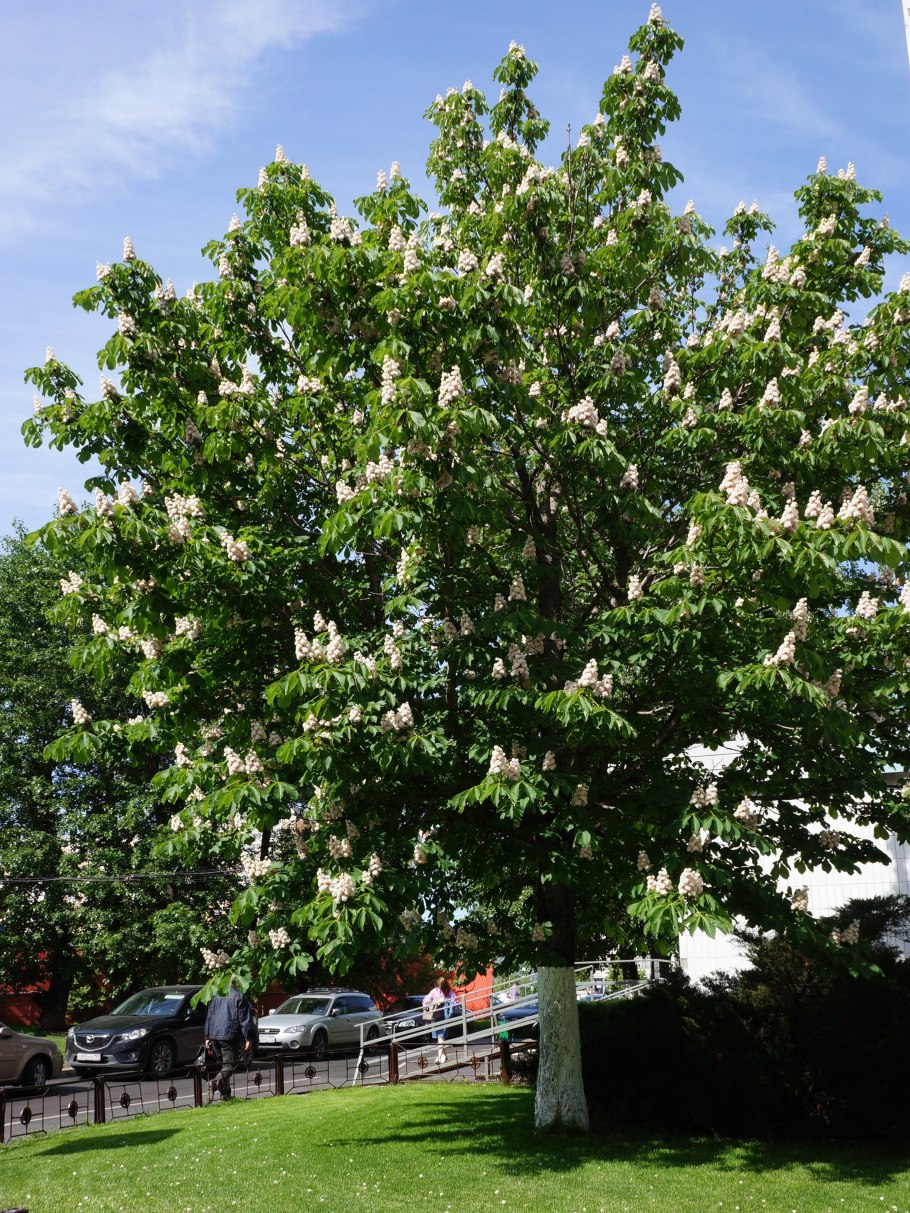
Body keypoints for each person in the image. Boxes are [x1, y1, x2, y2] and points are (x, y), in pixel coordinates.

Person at [203, 977, 256, 1102]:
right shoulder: (239, 996)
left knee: (223, 1065)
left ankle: (226, 1095)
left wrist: (207, 1036)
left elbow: (209, 1016)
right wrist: (248, 1038)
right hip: (229, 1035)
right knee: (229, 1066)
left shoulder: (216, 995)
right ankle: (214, 1083)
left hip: (214, 1035)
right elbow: (244, 1019)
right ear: (235, 983)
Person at [422, 976, 458, 1065]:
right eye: (438, 986)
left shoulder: (449, 992)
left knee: (440, 1037)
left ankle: (439, 1057)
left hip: (445, 1017)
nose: (439, 988)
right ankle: (444, 1056)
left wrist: (445, 1001)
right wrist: (428, 1002)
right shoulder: (434, 991)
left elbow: (455, 1002)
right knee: (440, 1037)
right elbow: (426, 999)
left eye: (441, 986)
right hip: (436, 1016)